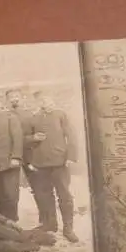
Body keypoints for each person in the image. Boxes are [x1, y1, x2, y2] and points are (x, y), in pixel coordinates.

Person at [27, 91, 79, 243]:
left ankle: (68, 228)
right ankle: (50, 224)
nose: (43, 102)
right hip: (41, 164)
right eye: (40, 100)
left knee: (64, 195)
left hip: (59, 162)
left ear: (52, 99)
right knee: (44, 195)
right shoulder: (34, 118)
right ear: (37, 102)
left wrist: (70, 157)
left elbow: (72, 136)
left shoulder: (61, 115)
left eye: (46, 99)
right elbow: (25, 139)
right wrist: (33, 138)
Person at [5, 88, 46, 222]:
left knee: (38, 186)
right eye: (11, 97)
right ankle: (12, 219)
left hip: (30, 154)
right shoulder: (5, 116)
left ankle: (45, 218)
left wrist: (31, 139)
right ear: (7, 100)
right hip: (12, 156)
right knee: (11, 190)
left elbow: (37, 135)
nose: (14, 99)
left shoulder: (30, 115)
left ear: (22, 98)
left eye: (16, 96)